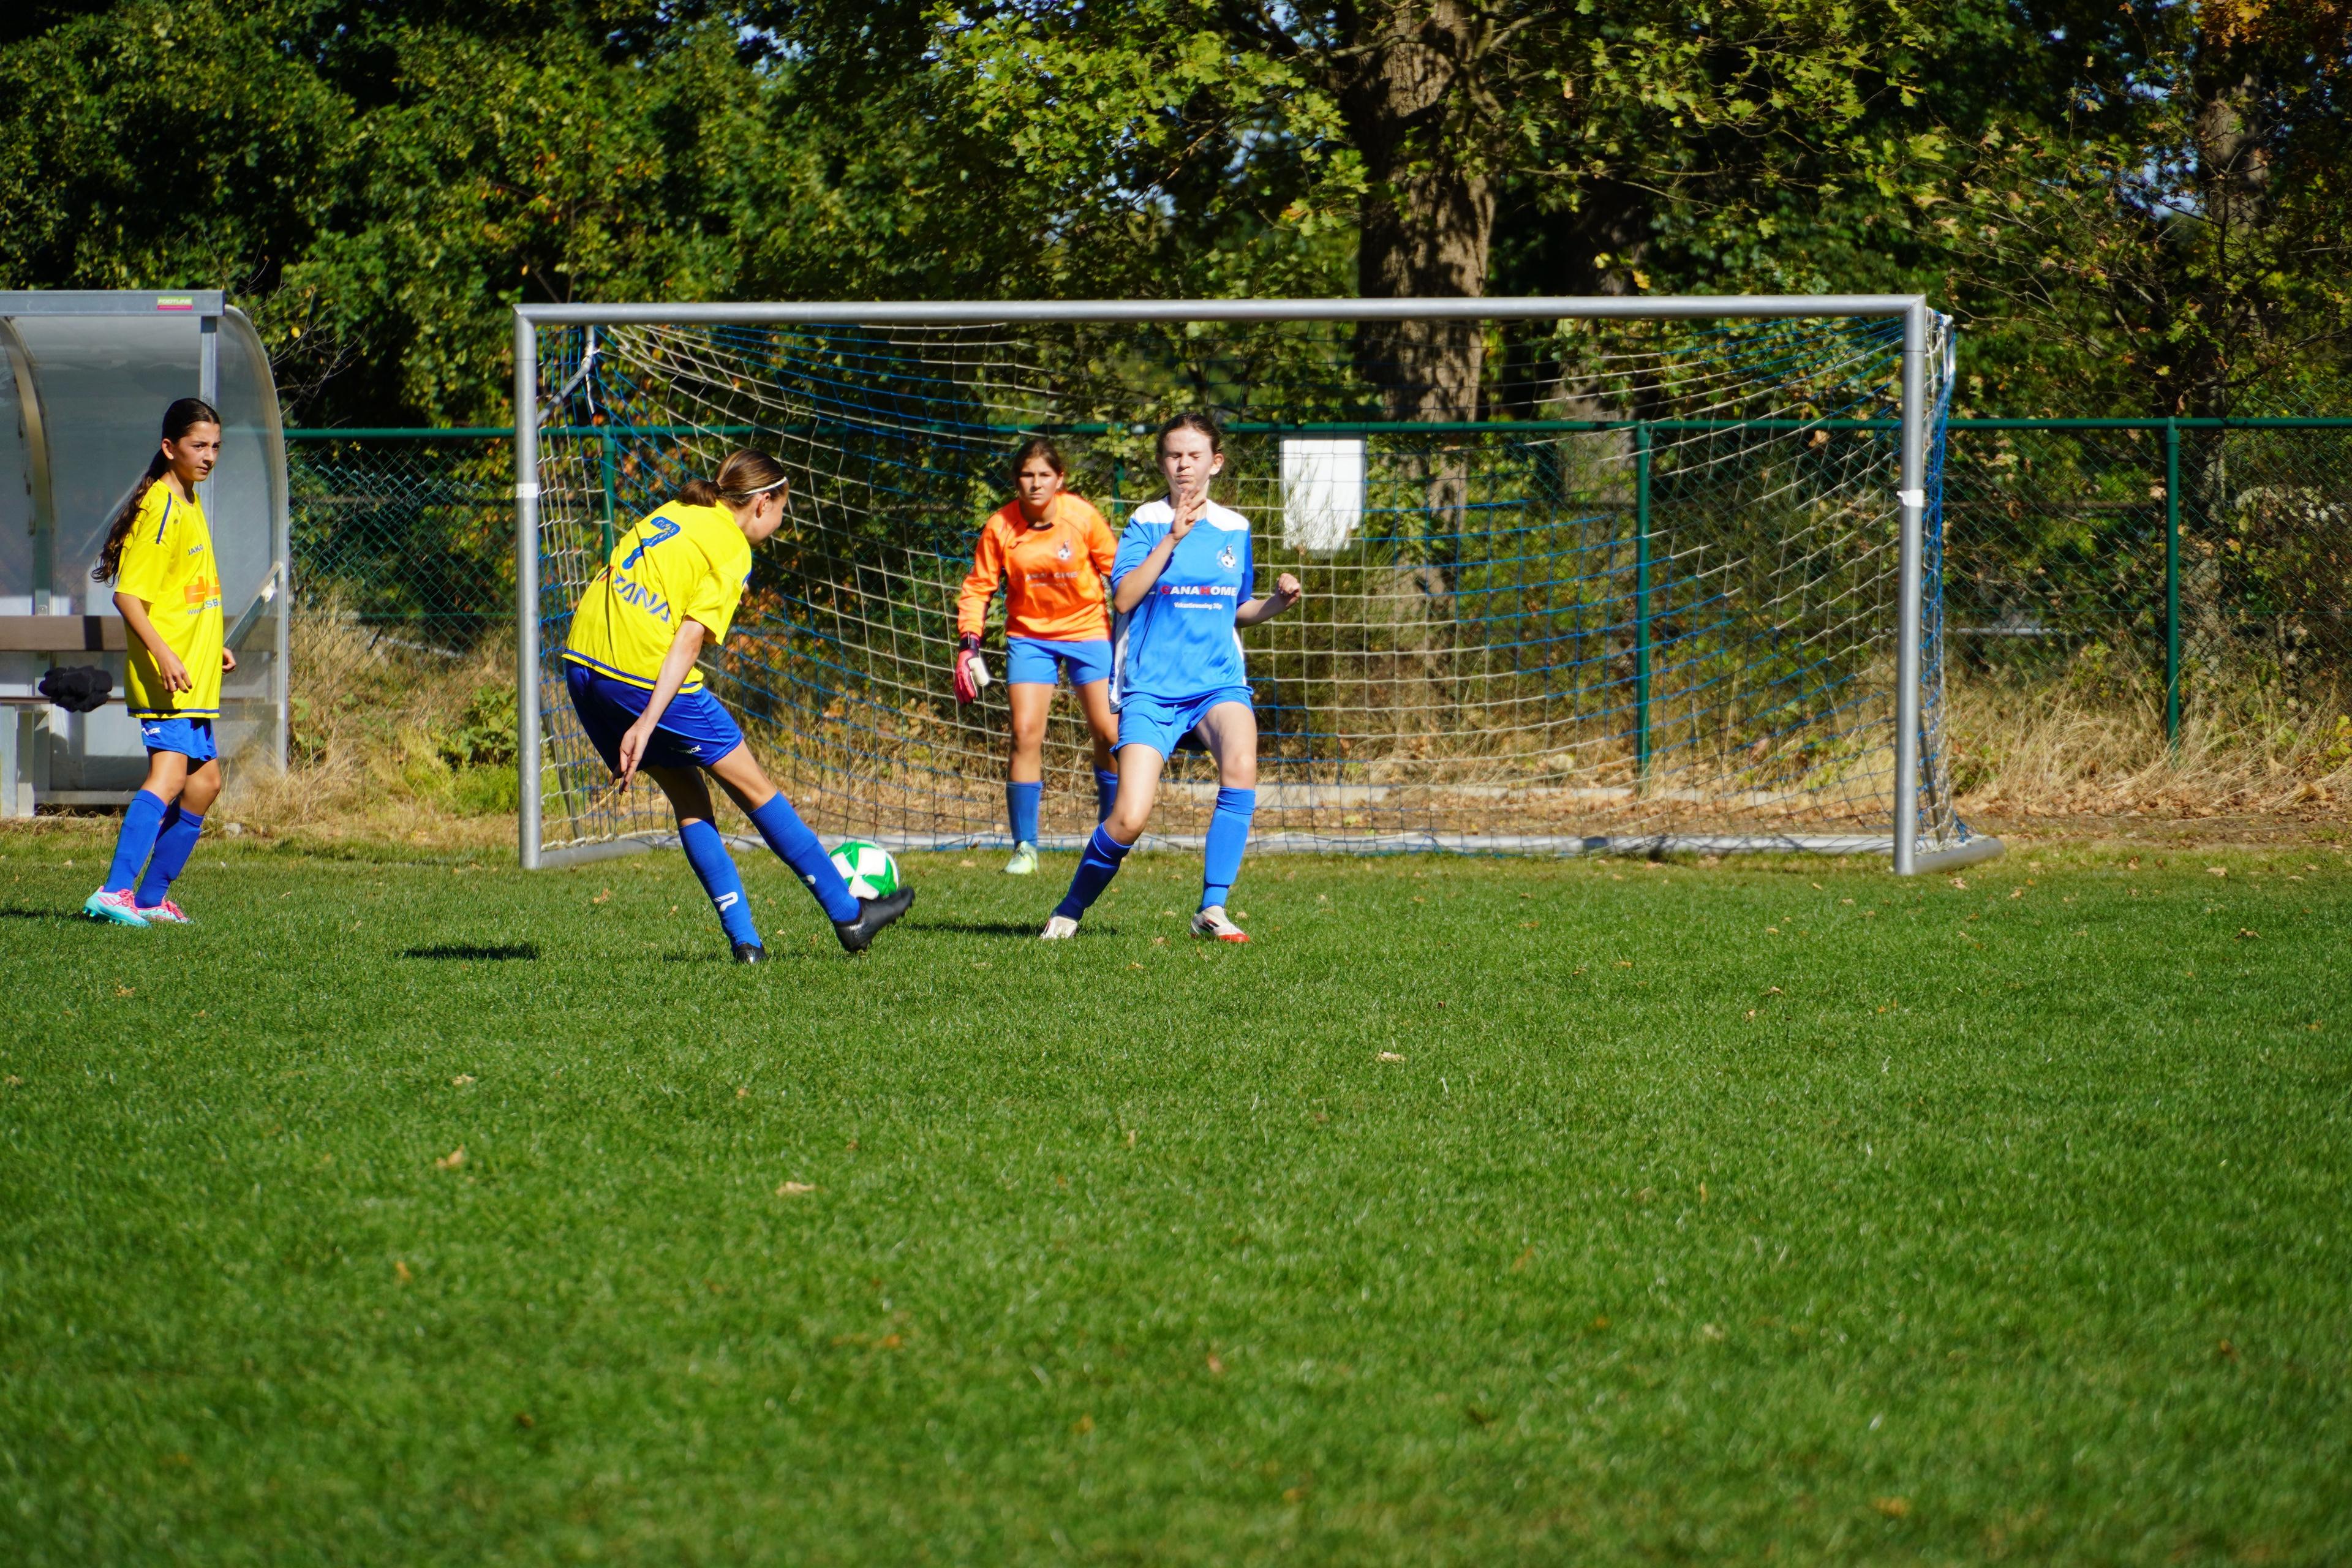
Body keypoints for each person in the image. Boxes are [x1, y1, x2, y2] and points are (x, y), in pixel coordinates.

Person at [563, 450, 913, 961]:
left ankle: (746, 943)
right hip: (638, 671)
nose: (781, 520)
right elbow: (688, 640)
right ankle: (850, 916)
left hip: (582, 665)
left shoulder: (678, 510)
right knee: (755, 790)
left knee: (689, 796)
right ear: (763, 503)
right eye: (783, 508)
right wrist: (647, 721)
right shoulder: (731, 547)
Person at [1040, 413, 1302, 944]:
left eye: (1194, 455)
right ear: (1162, 463)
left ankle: (1212, 908)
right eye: (1174, 456)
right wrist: (1172, 540)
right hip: (1152, 689)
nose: (1184, 465)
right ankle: (1070, 908)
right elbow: (1124, 598)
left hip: (1217, 683)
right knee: (1130, 818)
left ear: (1215, 463)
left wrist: (1276, 602)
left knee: (1242, 764)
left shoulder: (1235, 528)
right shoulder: (1145, 522)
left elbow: (1236, 609)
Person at [82, 398, 234, 927]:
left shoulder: (187, 500)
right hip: (170, 675)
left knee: (205, 783)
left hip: (194, 670)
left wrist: (209, 643)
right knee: (168, 777)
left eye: (215, 446)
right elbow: (129, 597)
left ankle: (149, 899)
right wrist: (167, 654)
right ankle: (116, 890)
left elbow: (182, 593)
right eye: (198, 446)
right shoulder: (160, 507)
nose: (209, 456)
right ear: (169, 448)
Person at [954, 438, 1121, 875]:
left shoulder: (1082, 517)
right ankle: (1025, 847)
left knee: (1108, 732)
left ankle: (1111, 835)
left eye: (1044, 475)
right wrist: (968, 641)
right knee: (1025, 732)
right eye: (1027, 475)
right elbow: (978, 587)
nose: (1035, 483)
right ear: (1016, 481)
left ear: (1060, 479)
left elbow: (1119, 571)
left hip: (1088, 632)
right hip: (1030, 638)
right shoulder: (1001, 526)